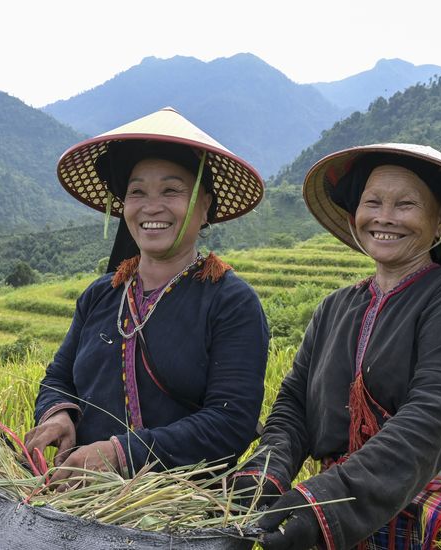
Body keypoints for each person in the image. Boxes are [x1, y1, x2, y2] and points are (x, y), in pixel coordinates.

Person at [233, 144, 441, 549]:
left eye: (405, 204)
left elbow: (432, 416)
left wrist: (325, 504)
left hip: (433, 522)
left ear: (440, 221)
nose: (384, 217)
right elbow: (294, 406)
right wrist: (265, 473)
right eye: (372, 202)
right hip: (344, 510)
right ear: (356, 215)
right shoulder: (334, 308)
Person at [25, 107, 270, 484]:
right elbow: (59, 377)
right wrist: (59, 415)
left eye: (171, 190)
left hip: (177, 509)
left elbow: (230, 424)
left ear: (205, 205)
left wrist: (121, 454)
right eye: (137, 192)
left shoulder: (229, 302)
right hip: (75, 497)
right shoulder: (100, 295)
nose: (151, 206)